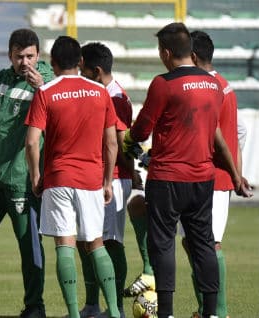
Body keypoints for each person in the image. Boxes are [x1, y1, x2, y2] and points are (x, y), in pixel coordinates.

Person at [128, 22, 249, 318]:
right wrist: (235, 175)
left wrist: (130, 138)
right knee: (204, 244)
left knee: (164, 244)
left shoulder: (163, 83)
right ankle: (210, 312)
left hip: (167, 178)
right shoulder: (214, 85)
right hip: (202, 180)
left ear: (166, 52)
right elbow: (217, 135)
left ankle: (166, 312)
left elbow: (143, 128)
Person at [25, 35, 119, 318]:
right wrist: (106, 180)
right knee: (96, 244)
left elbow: (31, 142)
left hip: (58, 177)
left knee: (64, 245)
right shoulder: (100, 92)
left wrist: (35, 175)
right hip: (91, 178)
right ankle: (114, 311)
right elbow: (112, 142)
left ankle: (73, 314)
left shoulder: (46, 92)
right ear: (80, 62)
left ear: (52, 64)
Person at [0, 28, 52, 318]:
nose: (25, 62)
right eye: (19, 56)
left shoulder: (48, 81)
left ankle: (35, 305)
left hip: (22, 181)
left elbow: (60, 113)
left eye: (30, 56)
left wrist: (42, 89)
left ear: (39, 55)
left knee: (29, 246)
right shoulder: (0, 78)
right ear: (9, 54)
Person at [179, 30, 246, 318]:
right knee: (192, 242)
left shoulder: (208, 88)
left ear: (193, 56)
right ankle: (205, 308)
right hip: (215, 177)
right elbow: (240, 130)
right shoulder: (224, 87)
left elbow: (208, 135)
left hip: (210, 178)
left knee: (209, 243)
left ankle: (219, 311)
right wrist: (237, 171)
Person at [78, 42, 134, 318]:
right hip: (93, 177)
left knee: (111, 243)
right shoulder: (100, 93)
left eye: (82, 70)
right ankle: (91, 305)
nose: (79, 75)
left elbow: (123, 143)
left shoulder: (115, 98)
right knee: (86, 240)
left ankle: (118, 309)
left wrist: (130, 172)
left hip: (111, 178)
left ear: (96, 71)